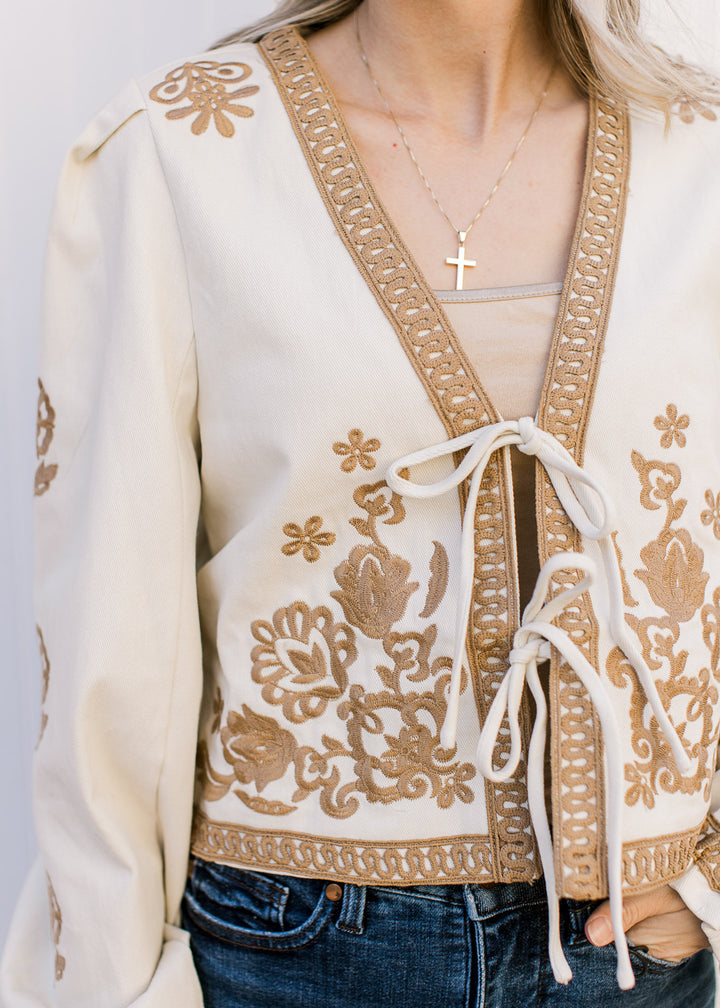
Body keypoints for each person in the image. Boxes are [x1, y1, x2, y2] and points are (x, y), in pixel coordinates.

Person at [3, 0, 720, 1004]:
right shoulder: (179, 155)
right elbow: (107, 640)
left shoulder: (697, 152)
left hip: (639, 956)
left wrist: (714, 886)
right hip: (294, 942)